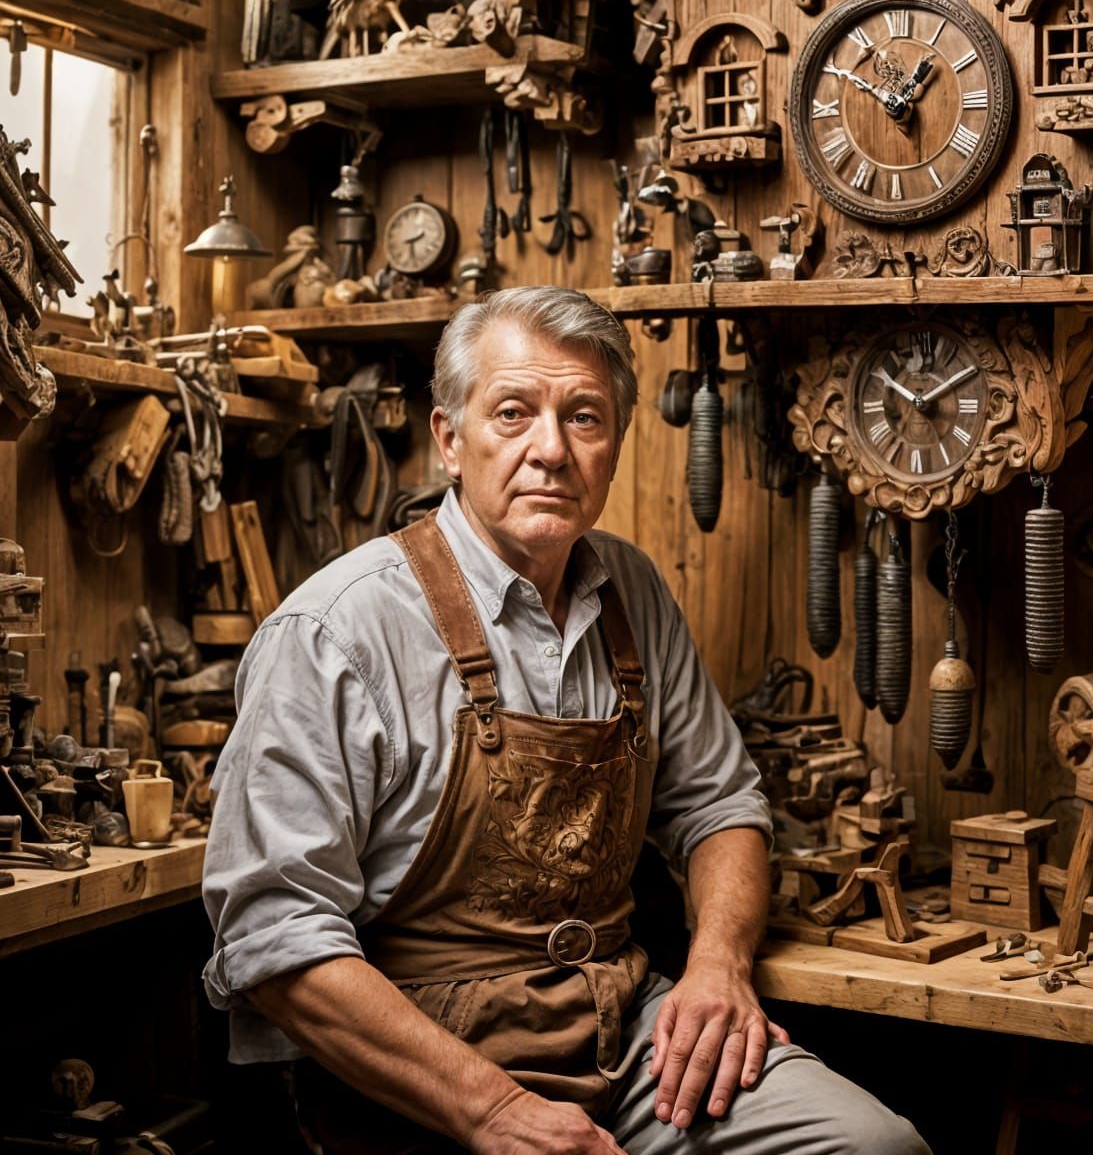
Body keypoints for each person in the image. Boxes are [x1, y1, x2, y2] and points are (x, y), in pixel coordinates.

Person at [203, 286, 928, 1155]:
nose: (550, 450)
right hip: (421, 1071)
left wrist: (717, 965)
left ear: (615, 445)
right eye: (513, 413)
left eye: (583, 417)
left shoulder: (632, 590)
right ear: (449, 440)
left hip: (626, 1033)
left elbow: (720, 807)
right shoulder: (334, 632)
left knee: (876, 1146)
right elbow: (275, 940)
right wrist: (492, 1111)